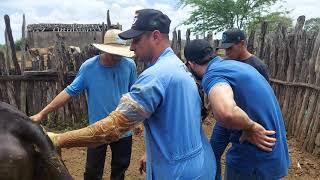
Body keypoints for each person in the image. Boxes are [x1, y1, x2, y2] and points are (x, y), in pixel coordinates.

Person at [46, 9, 217, 179]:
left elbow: (112, 129)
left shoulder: (155, 77)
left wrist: (58, 139)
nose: (132, 47)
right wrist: (151, 152)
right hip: (200, 162)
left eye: (136, 39)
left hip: (177, 172)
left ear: (155, 36)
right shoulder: (179, 67)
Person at [30, 29, 137, 180]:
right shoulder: (89, 67)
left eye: (120, 54)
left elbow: (135, 94)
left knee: (120, 169)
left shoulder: (129, 66)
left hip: (124, 129)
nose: (117, 57)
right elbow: (69, 92)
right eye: (114, 53)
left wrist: (137, 122)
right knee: (93, 171)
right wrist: (43, 113)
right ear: (105, 49)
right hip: (96, 130)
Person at [184, 39, 290, 180]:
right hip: (272, 154)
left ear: (191, 64)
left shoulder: (212, 75)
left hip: (253, 160)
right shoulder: (235, 66)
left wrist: (250, 126)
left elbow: (226, 112)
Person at [213, 28, 270, 180]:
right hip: (225, 119)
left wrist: (250, 126)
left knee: (241, 158)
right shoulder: (226, 63)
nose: (227, 53)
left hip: (245, 120)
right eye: (225, 49)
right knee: (213, 152)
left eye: (230, 48)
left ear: (242, 43)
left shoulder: (258, 67)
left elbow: (262, 100)